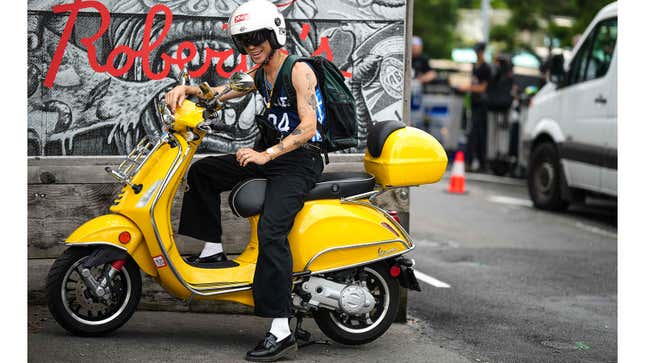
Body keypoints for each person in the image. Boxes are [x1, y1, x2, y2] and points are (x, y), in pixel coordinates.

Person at [165, 0, 325, 360]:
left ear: (274, 35)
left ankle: (281, 329)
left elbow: (309, 128)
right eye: (244, 41)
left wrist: (265, 155)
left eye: (257, 38)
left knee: (271, 230)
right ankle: (212, 251)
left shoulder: (298, 71)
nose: (251, 46)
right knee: (204, 172)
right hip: (269, 156)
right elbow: (221, 93)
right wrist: (189, 91)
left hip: (299, 161)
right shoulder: (257, 74)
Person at [459, 41, 491, 172]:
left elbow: (483, 88)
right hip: (474, 103)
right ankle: (473, 162)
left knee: (477, 134)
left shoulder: (486, 68)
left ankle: (477, 162)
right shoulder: (475, 66)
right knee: (473, 133)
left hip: (481, 104)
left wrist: (468, 88)